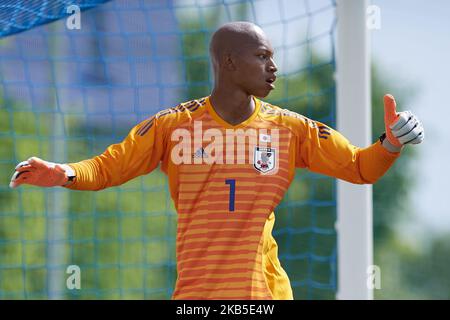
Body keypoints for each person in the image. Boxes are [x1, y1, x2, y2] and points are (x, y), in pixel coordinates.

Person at [9, 21, 424, 300]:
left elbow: (358, 167)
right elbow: (108, 166)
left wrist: (389, 143)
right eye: (262, 56)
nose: (274, 66)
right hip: (196, 297)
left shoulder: (291, 129)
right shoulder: (173, 125)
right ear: (228, 62)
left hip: (264, 296)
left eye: (272, 56)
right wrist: (63, 172)